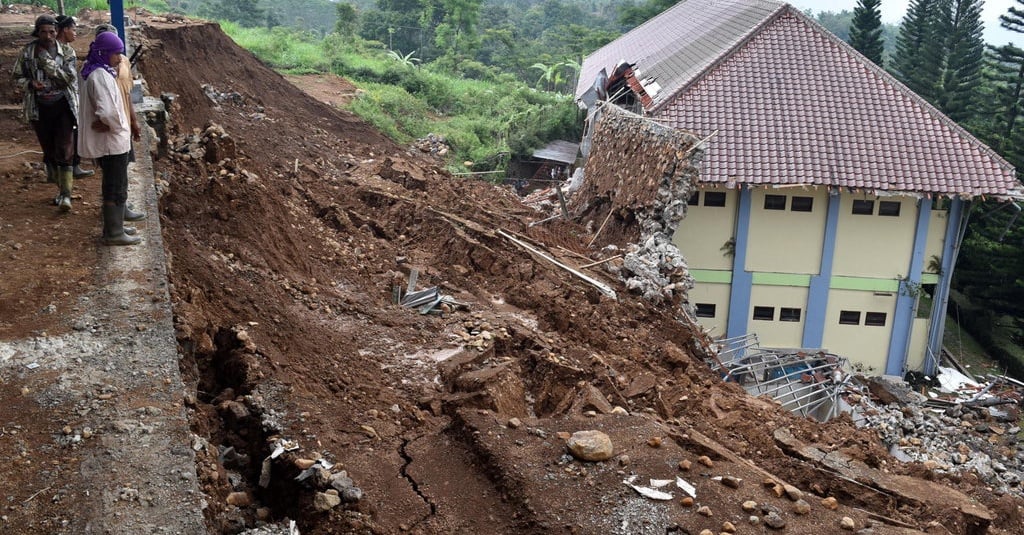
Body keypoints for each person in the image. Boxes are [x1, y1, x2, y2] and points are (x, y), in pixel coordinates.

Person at [12, 14, 79, 211]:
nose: (48, 36)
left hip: (63, 106)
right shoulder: (27, 52)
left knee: (65, 147)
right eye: (44, 32)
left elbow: (68, 79)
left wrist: (46, 63)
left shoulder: (67, 52)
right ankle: (59, 187)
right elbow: (17, 77)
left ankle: (66, 195)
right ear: (37, 32)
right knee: (49, 149)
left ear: (56, 31)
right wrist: (30, 83)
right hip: (39, 107)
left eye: (52, 31)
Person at [78, 30, 139, 246]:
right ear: (104, 52)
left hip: (110, 140)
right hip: (112, 142)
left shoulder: (94, 70)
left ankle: (117, 226)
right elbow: (108, 112)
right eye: (115, 54)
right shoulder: (101, 76)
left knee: (114, 183)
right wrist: (116, 125)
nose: (118, 58)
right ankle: (114, 233)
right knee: (115, 186)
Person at [94, 23, 144, 222]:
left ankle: (122, 209)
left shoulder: (122, 64)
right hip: (111, 128)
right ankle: (114, 222)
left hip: (120, 125)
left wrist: (133, 121)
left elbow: (127, 94)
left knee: (122, 170)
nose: (116, 54)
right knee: (113, 174)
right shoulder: (97, 72)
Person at [55, 14, 94, 179]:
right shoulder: (60, 51)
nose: (75, 32)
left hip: (65, 98)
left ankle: (66, 167)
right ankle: (71, 167)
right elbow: (68, 77)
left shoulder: (62, 49)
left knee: (67, 134)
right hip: (63, 99)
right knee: (69, 133)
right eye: (73, 29)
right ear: (64, 30)